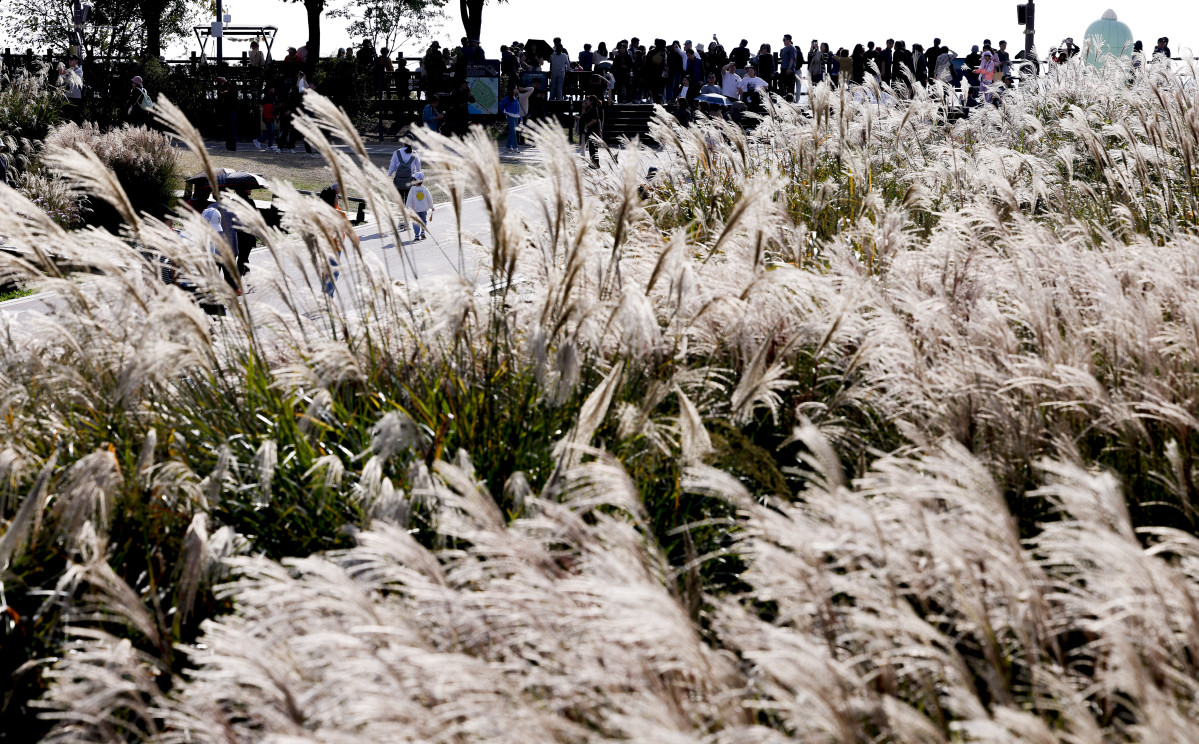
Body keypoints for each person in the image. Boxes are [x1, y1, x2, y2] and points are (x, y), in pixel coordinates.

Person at [405, 172, 435, 241]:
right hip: (424, 208)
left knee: (416, 222)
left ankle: (416, 235)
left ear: (415, 180)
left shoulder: (412, 189)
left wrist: (408, 208)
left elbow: (409, 199)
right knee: (423, 221)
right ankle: (423, 232)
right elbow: (429, 198)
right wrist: (431, 206)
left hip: (415, 209)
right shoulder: (424, 188)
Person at [254, 82, 279, 151]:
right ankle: (258, 140)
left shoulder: (270, 97)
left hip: (270, 116)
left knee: (272, 131)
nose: (274, 90)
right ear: (269, 89)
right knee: (271, 131)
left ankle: (270, 145)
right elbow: (268, 108)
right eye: (272, 88)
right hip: (268, 116)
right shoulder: (268, 97)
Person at [578, 95, 602, 166]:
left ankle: (596, 163)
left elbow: (594, 120)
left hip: (594, 131)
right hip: (590, 131)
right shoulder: (590, 108)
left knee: (594, 148)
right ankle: (594, 163)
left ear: (591, 101)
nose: (587, 102)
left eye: (588, 100)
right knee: (591, 149)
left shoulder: (594, 109)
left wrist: (587, 125)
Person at [216, 76, 238, 150]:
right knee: (229, 130)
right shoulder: (226, 88)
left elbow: (230, 93)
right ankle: (231, 147)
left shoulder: (228, 87)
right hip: (229, 110)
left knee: (230, 130)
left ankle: (231, 147)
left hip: (229, 110)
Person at [500, 86, 521, 152]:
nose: (516, 89)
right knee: (513, 132)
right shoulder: (507, 98)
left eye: (516, 88)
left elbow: (517, 108)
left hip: (515, 117)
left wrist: (519, 117)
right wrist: (504, 112)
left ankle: (508, 146)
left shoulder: (516, 98)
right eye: (515, 88)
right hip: (510, 116)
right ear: (511, 90)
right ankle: (515, 147)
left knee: (512, 132)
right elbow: (501, 104)